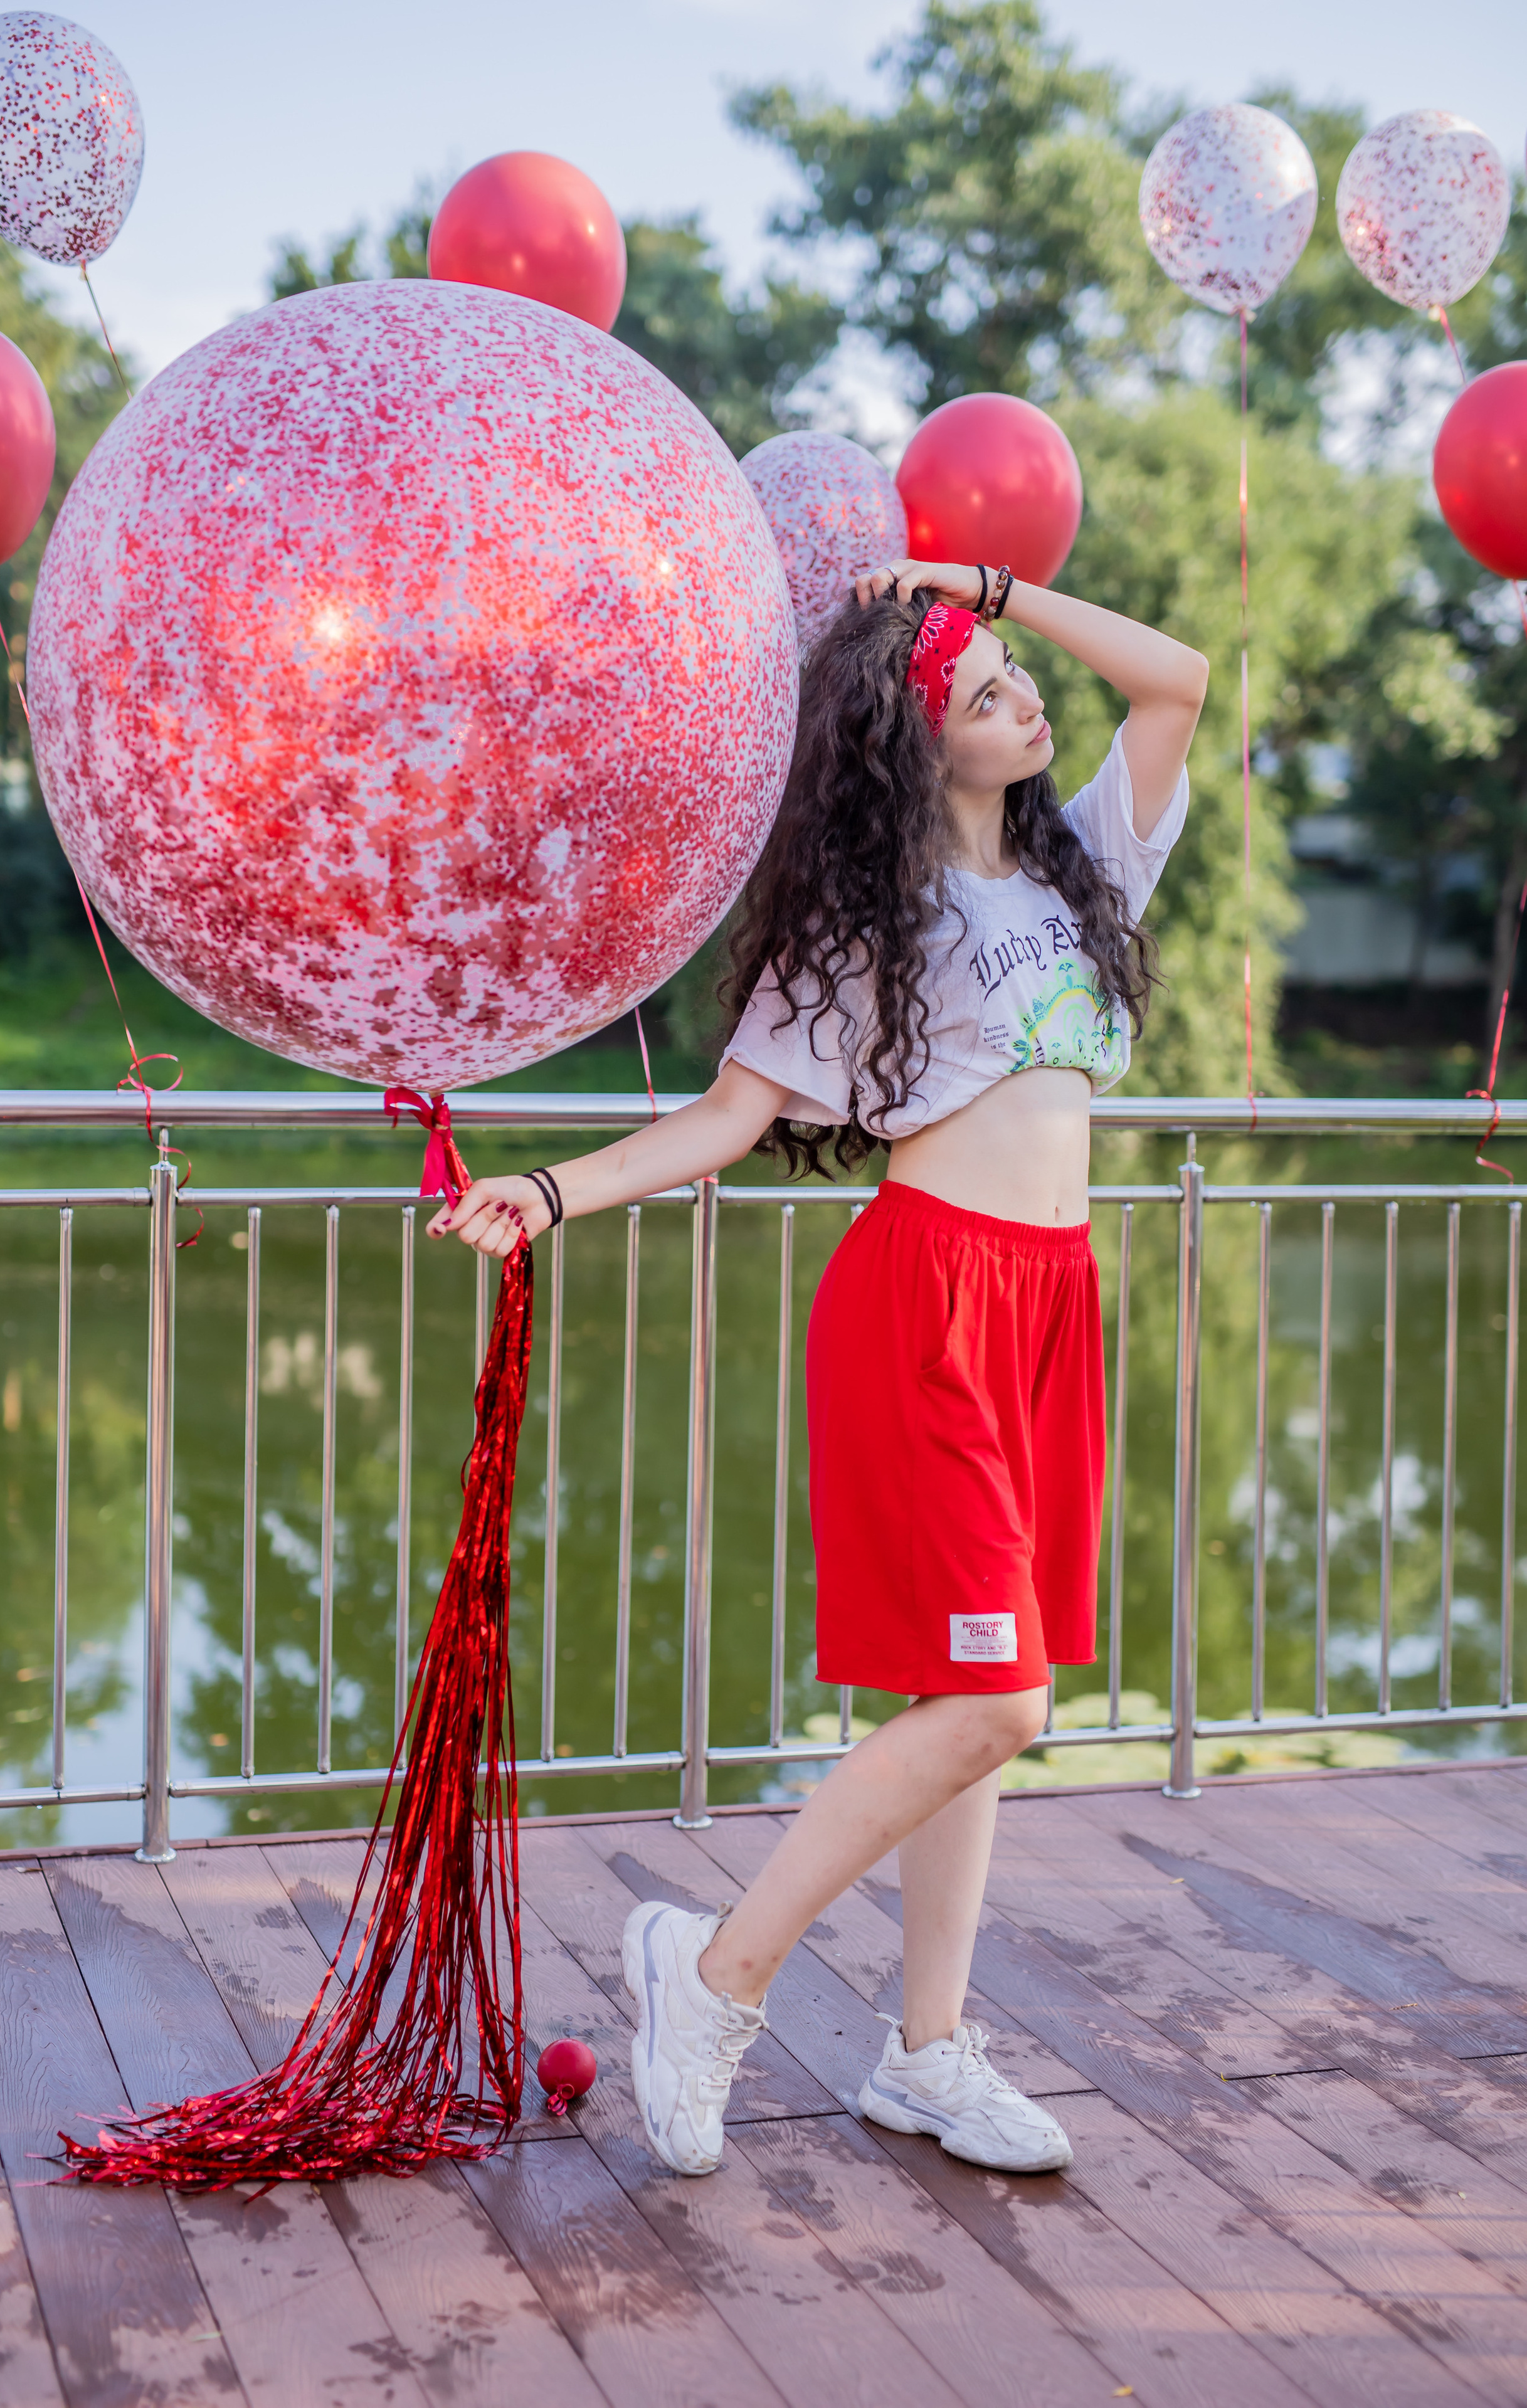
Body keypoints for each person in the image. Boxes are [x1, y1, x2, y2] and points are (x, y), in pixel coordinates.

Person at [428, 557, 1207, 2179]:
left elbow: (1177, 680)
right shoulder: (869, 923)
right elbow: (727, 1121)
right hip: (926, 1303)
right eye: (981, 694)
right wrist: (550, 1192)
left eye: (1013, 680)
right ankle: (717, 1976)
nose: (1024, 704)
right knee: (997, 1697)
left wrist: (994, 592)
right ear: (916, 746)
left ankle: (927, 2053)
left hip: (1051, 1302)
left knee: (974, 1695)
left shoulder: (1084, 871)